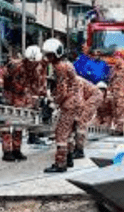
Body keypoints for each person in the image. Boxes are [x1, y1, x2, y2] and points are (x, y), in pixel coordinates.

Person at [42, 38, 83, 173]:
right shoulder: (67, 64)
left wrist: (54, 104)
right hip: (76, 102)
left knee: (61, 134)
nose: (48, 58)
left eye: (50, 55)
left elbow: (62, 90)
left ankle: (60, 164)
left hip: (69, 103)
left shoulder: (59, 67)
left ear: (56, 54)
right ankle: (69, 158)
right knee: (69, 132)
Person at [70, 77, 103, 159]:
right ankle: (76, 146)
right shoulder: (69, 80)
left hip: (94, 97)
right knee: (78, 119)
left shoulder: (76, 80)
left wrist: (77, 111)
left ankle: (79, 150)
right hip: (89, 97)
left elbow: (79, 99)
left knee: (81, 120)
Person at [109, 51, 124, 136]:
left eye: (117, 58)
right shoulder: (113, 69)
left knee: (120, 111)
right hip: (114, 93)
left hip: (122, 93)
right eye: (115, 58)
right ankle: (116, 127)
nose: (116, 60)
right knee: (114, 111)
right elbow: (110, 81)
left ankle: (120, 129)